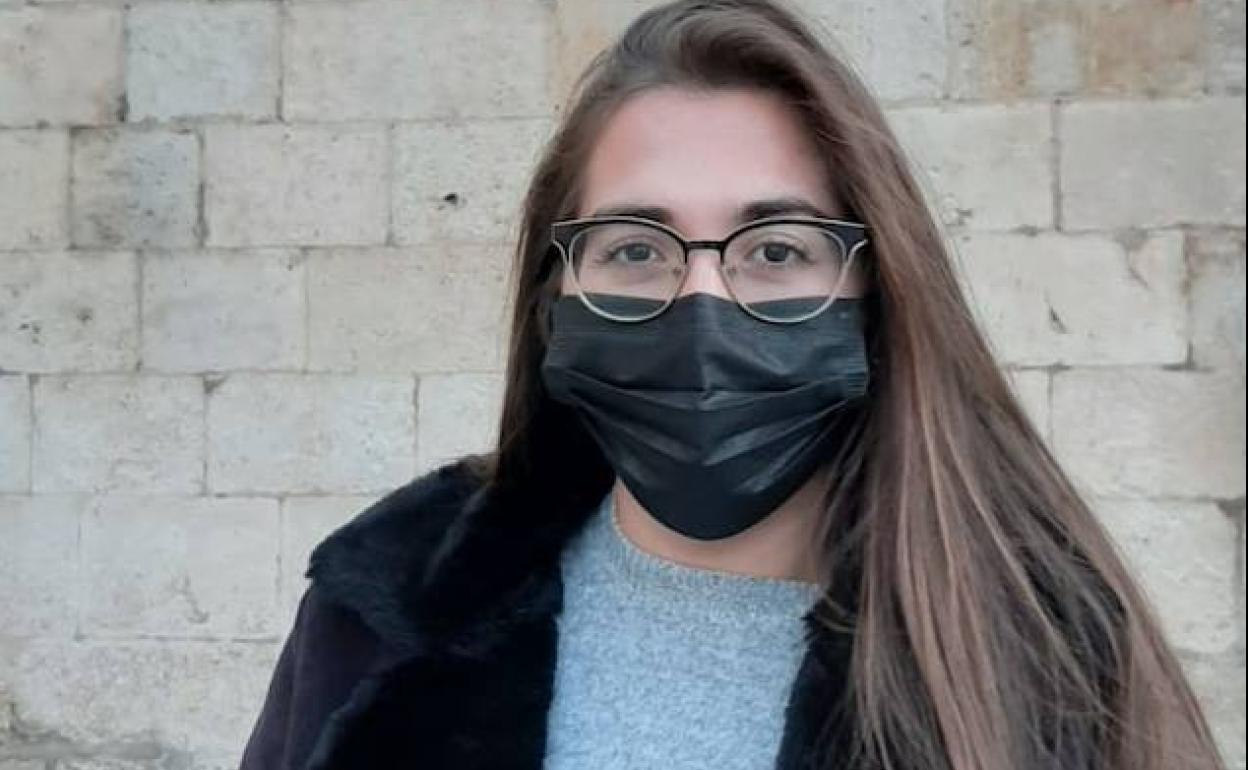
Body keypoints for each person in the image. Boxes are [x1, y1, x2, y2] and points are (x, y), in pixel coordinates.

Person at [239, 1, 1227, 769]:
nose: (701, 302)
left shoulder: (1044, 650)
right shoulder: (384, 607)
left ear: (877, 288)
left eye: (778, 248)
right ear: (555, 293)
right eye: (634, 247)